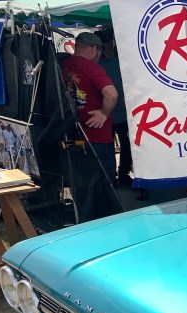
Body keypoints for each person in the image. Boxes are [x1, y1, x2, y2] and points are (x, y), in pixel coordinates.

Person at [61, 31, 121, 222]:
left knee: (83, 188)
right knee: (104, 185)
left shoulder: (63, 65)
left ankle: (85, 223)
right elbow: (112, 94)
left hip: (73, 134)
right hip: (98, 136)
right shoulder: (92, 68)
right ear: (95, 50)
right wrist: (104, 113)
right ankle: (104, 224)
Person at [95, 28, 134, 189]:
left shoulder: (117, 61)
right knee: (107, 147)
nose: (109, 48)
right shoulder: (95, 65)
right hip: (105, 114)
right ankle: (110, 177)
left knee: (127, 145)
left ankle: (123, 174)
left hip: (122, 113)